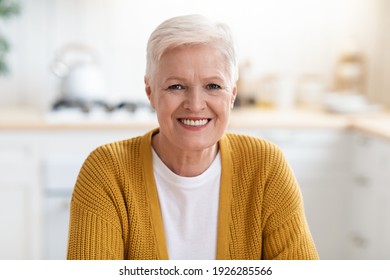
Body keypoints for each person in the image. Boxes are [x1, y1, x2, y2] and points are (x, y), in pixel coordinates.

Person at [67, 14, 319, 260]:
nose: (196, 104)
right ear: (150, 92)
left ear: (232, 94)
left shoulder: (265, 166)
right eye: (176, 86)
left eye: (213, 86)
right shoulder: (106, 170)